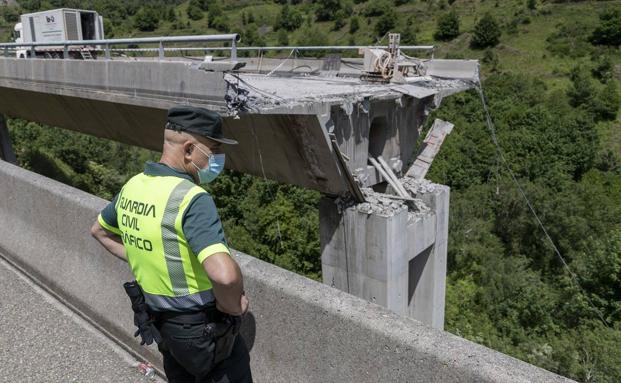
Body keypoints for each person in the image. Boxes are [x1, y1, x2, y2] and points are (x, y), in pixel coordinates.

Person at [90, 106, 252, 383]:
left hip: (162, 327)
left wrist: (145, 256)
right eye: (212, 149)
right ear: (189, 149)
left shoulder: (133, 186)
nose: (217, 159)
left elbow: (100, 232)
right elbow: (224, 276)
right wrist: (233, 306)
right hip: (205, 331)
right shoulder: (192, 198)